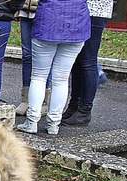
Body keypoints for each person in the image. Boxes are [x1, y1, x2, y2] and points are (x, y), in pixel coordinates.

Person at [16, 0, 90, 135]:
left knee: (38, 76)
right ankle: (54, 124)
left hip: (47, 21)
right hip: (77, 24)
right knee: (61, 78)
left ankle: (31, 121)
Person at [63, 0, 114, 126]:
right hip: (80, 9)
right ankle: (74, 106)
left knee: (88, 61)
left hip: (95, 11)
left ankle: (84, 111)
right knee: (77, 61)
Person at [15, 0, 51, 116]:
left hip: (45, 11)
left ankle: (43, 102)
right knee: (27, 55)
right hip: (25, 10)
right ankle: (25, 99)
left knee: (44, 57)